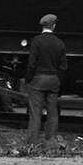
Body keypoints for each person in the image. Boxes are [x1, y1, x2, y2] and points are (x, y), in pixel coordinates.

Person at [25, 13, 67, 144]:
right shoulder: (60, 43)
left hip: (37, 80)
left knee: (35, 113)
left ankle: (32, 143)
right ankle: (51, 140)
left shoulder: (36, 41)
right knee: (52, 112)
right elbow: (63, 67)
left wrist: (28, 79)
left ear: (43, 26)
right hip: (53, 80)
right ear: (53, 26)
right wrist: (57, 79)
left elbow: (31, 64)